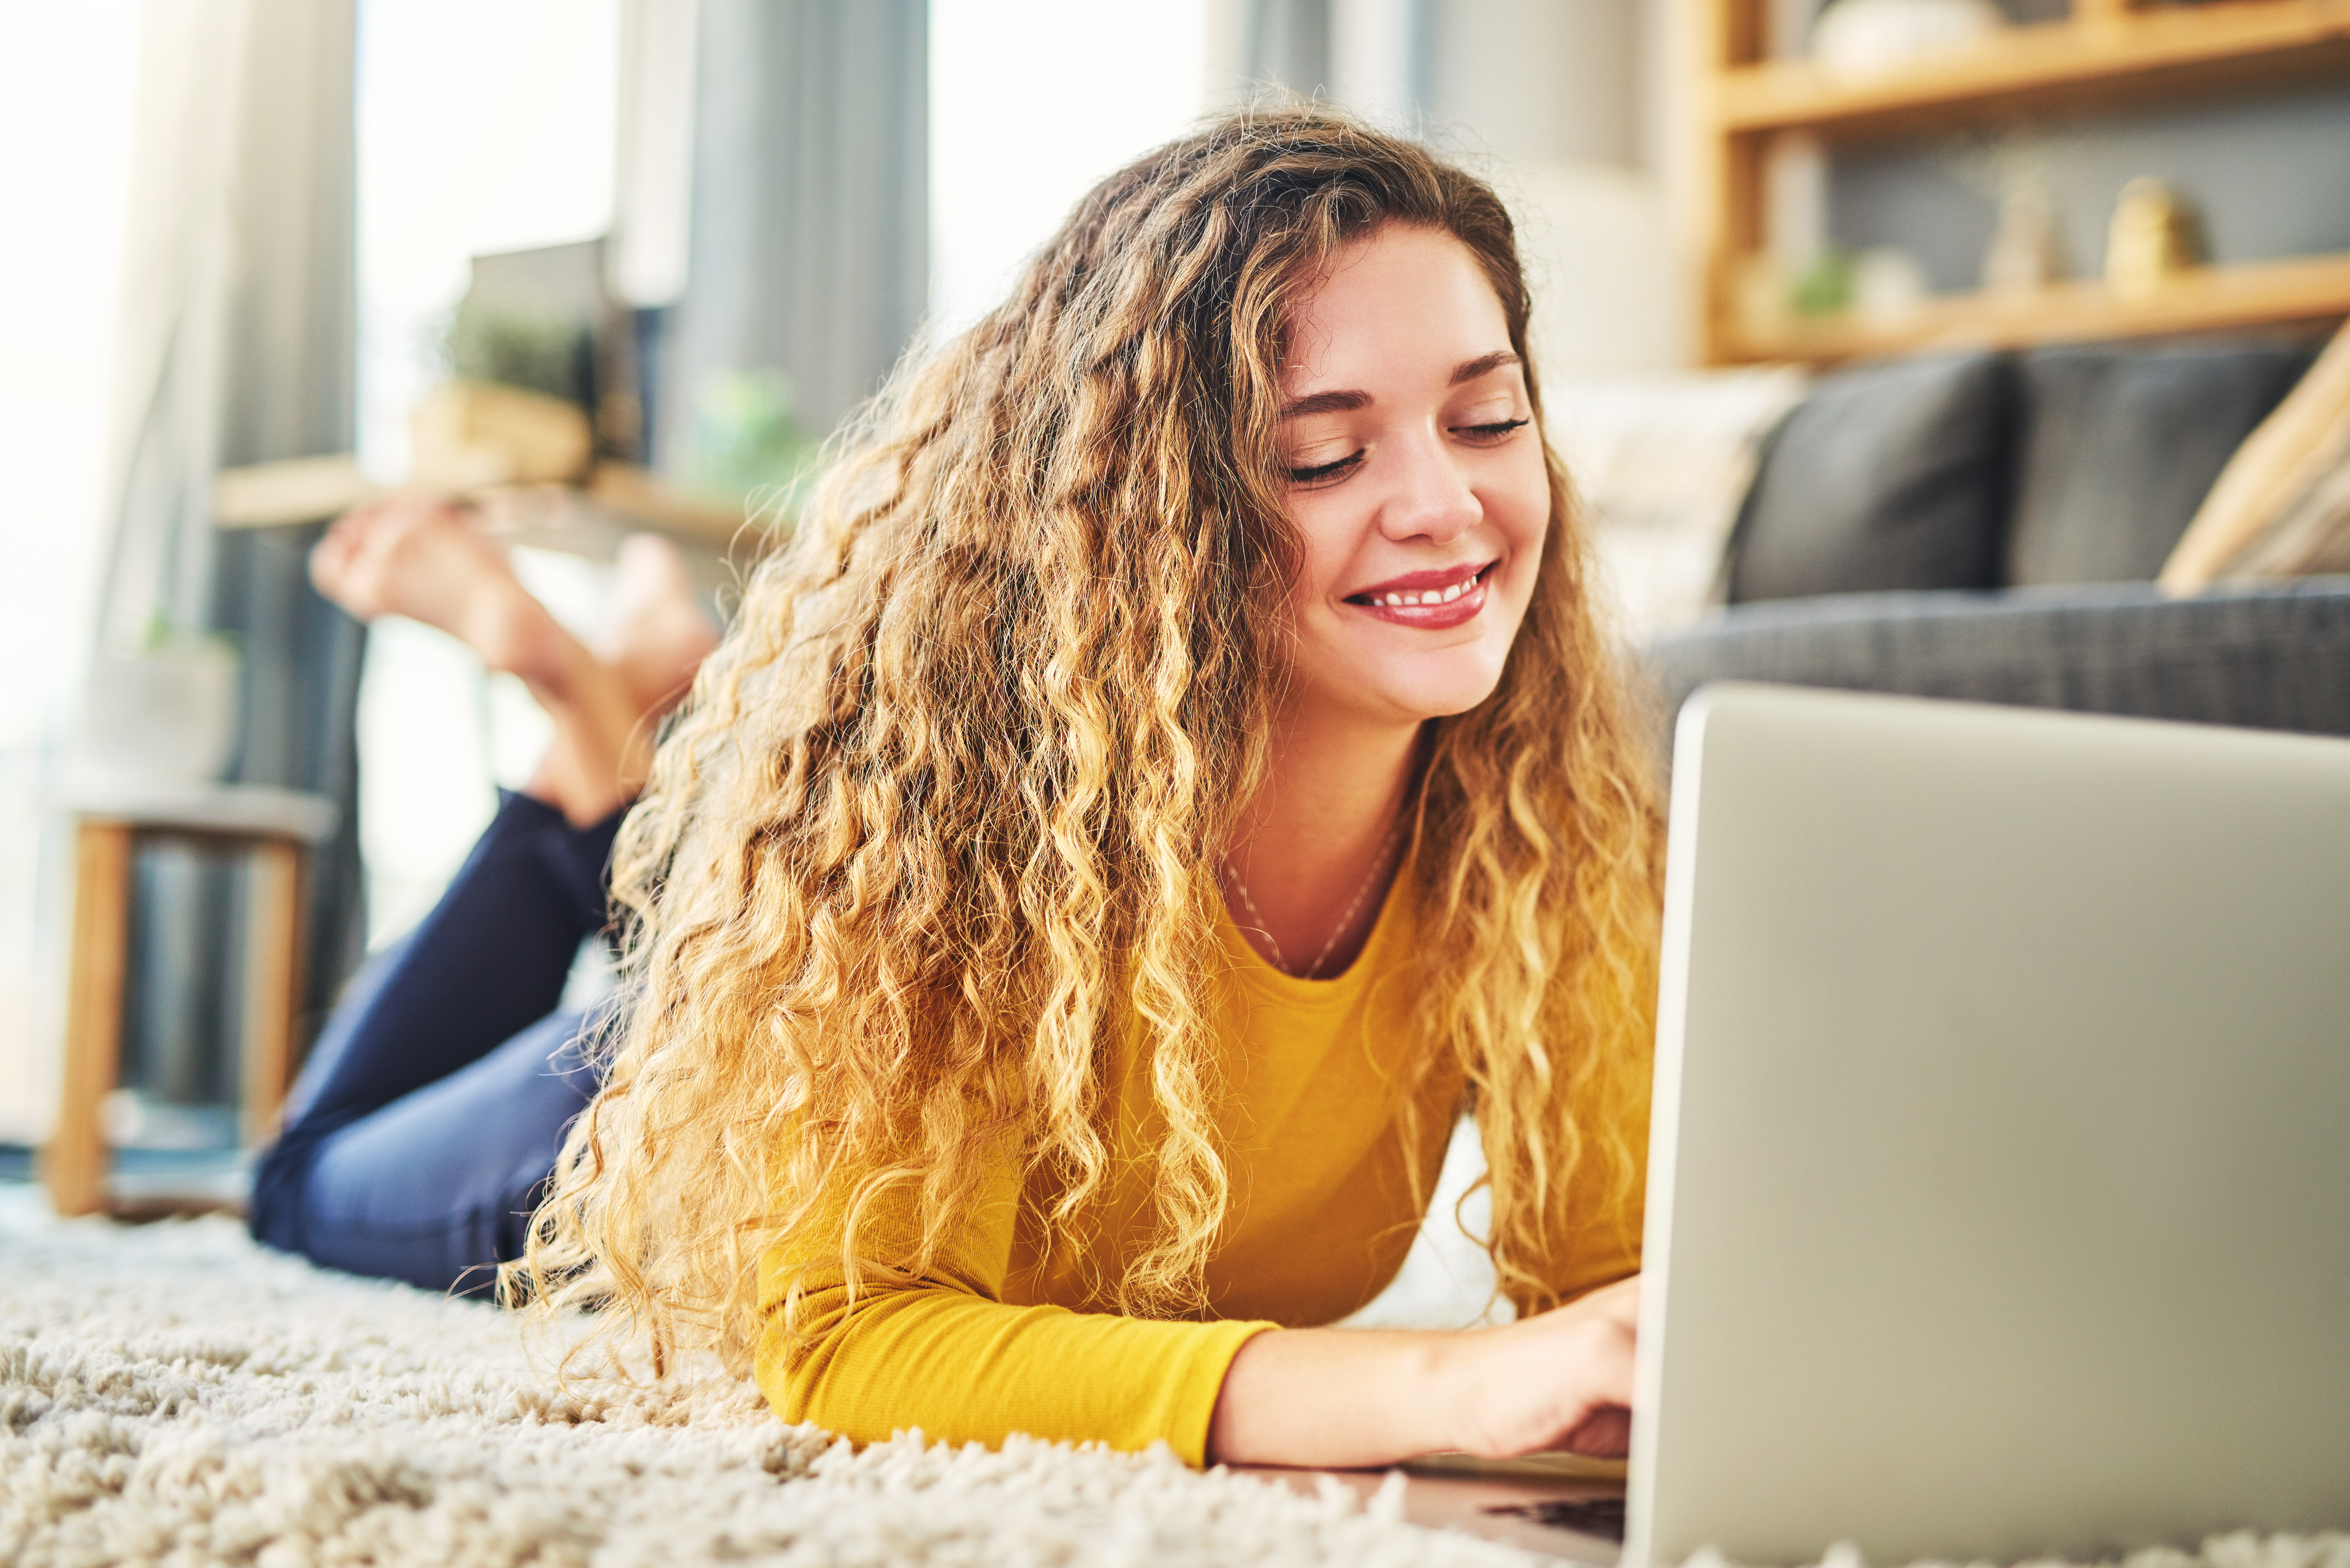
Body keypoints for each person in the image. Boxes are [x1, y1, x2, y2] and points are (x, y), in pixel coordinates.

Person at [260, 103, 1664, 1474]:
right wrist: (1439, 1383)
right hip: (697, 1100)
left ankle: (607, 756)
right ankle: (584, 745)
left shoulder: (1553, 840)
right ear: (1151, 512)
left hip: (799, 1003)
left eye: (1486, 420)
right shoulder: (955, 849)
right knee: (295, 1185)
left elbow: (1614, 1296)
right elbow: (851, 1337)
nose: (1443, 504)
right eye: (1323, 452)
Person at [248, 509, 717, 1291]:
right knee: (701, 985)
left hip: (672, 1091)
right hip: (718, 1045)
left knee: (289, 1188)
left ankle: (593, 687)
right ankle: (588, 687)